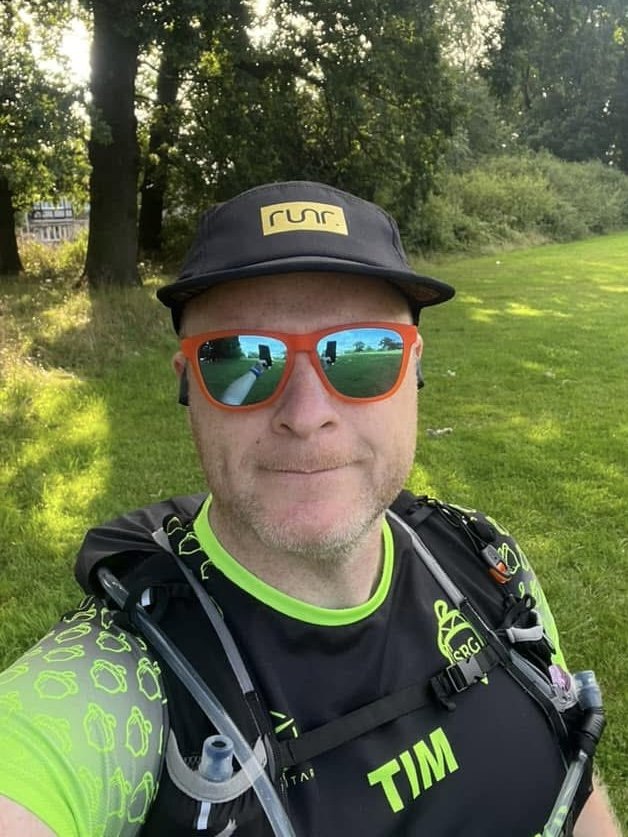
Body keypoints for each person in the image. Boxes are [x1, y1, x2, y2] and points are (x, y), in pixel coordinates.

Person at [0, 181, 621, 837]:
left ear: (414, 369)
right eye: (243, 358)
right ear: (188, 381)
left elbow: (575, 788)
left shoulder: (488, 561)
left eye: (361, 354)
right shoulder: (118, 685)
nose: (306, 415)